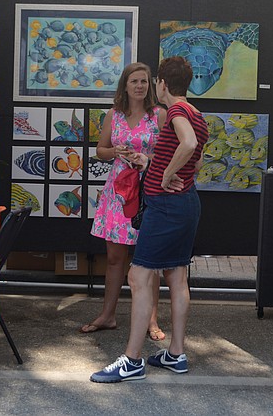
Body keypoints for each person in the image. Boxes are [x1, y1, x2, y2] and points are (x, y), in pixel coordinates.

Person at [91, 56, 209, 383]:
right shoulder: (198, 114)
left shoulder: (176, 111)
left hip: (167, 206)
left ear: (161, 83)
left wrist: (165, 174)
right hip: (186, 203)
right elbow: (195, 163)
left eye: (151, 80)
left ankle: (131, 361)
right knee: (177, 276)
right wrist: (155, 164)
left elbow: (187, 144)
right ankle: (176, 354)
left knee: (139, 276)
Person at [80, 63, 166, 340]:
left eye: (144, 81)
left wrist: (147, 160)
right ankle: (108, 315)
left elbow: (167, 153)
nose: (140, 86)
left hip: (149, 191)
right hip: (118, 192)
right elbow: (100, 150)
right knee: (115, 257)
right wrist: (115, 151)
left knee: (148, 259)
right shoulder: (114, 115)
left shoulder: (159, 116)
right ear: (125, 86)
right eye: (134, 81)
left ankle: (152, 320)